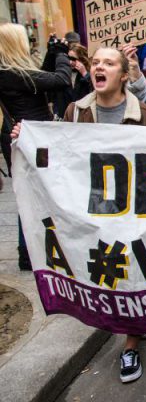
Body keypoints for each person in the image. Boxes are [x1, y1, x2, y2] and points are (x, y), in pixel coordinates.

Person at [13, 46, 146, 383]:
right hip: (92, 212)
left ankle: (130, 345)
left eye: (109, 63)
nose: (99, 67)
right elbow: (60, 155)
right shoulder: (75, 112)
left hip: (131, 213)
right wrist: (27, 141)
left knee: (131, 274)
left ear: (124, 75)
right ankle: (134, 325)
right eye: (96, 62)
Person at [0, 23, 71, 270]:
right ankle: (28, 255)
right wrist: (63, 54)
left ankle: (28, 253)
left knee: (29, 192)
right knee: (32, 194)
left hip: (27, 138)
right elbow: (60, 80)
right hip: (31, 140)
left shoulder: (12, 73)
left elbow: (41, 77)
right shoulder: (11, 73)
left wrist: (52, 52)